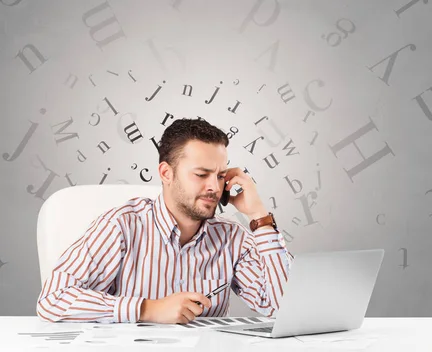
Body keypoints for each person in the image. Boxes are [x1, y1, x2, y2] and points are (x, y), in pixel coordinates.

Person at [36, 118, 293, 324]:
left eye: (220, 176)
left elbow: (284, 308)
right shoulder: (121, 226)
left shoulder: (232, 238)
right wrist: (149, 309)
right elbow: (52, 300)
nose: (214, 187)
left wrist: (260, 217)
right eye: (202, 174)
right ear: (166, 173)